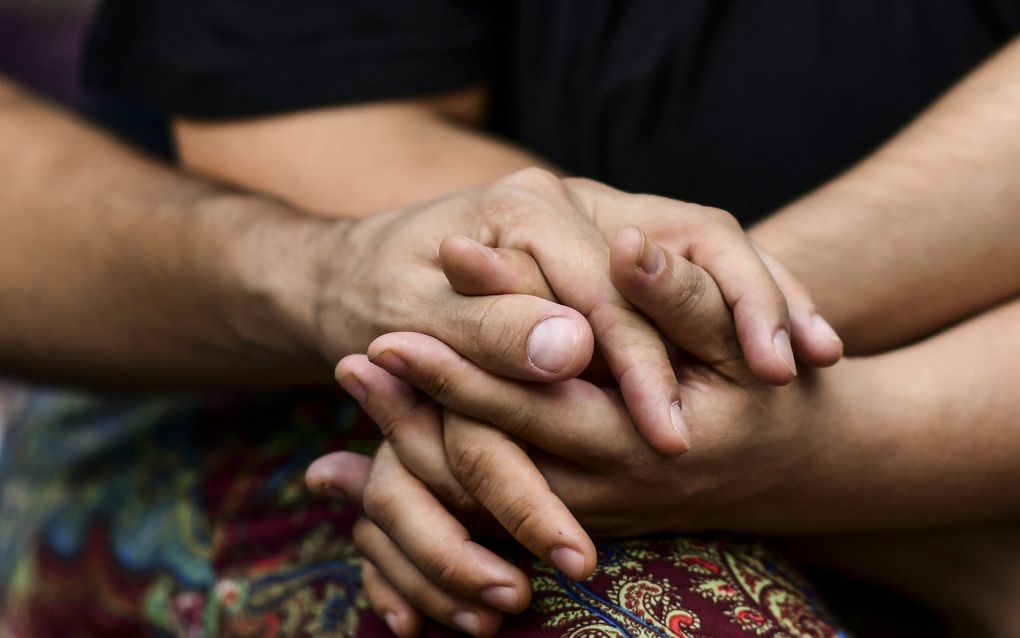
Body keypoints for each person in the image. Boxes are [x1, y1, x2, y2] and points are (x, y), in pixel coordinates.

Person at [0, 76, 842, 637]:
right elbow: (299, 116)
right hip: (257, 372)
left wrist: (844, 462)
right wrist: (347, 281)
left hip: (846, 396)